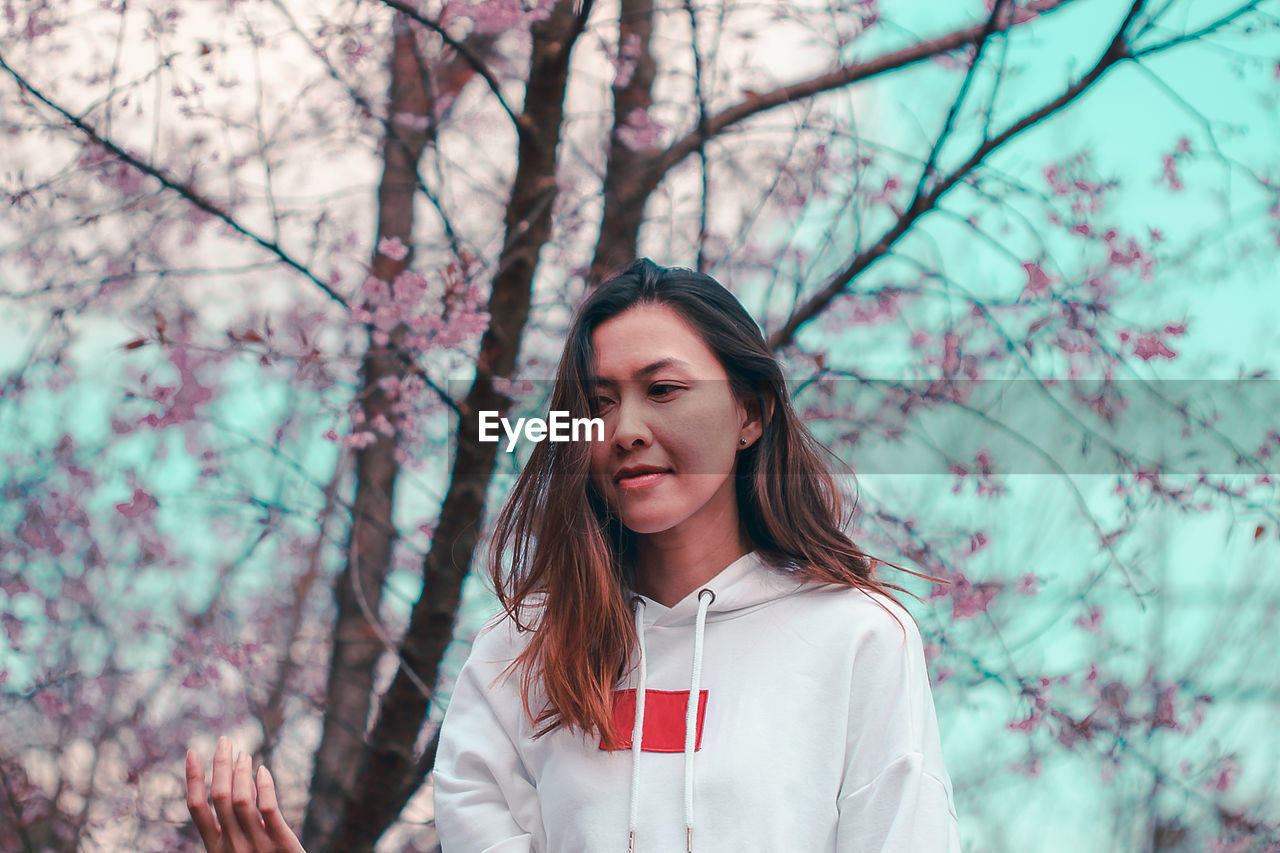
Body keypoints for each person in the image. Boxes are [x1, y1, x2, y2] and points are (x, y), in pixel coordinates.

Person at [186, 258, 961, 852]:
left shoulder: (855, 636)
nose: (623, 427)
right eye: (596, 403)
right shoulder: (516, 657)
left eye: (662, 389)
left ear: (751, 412)